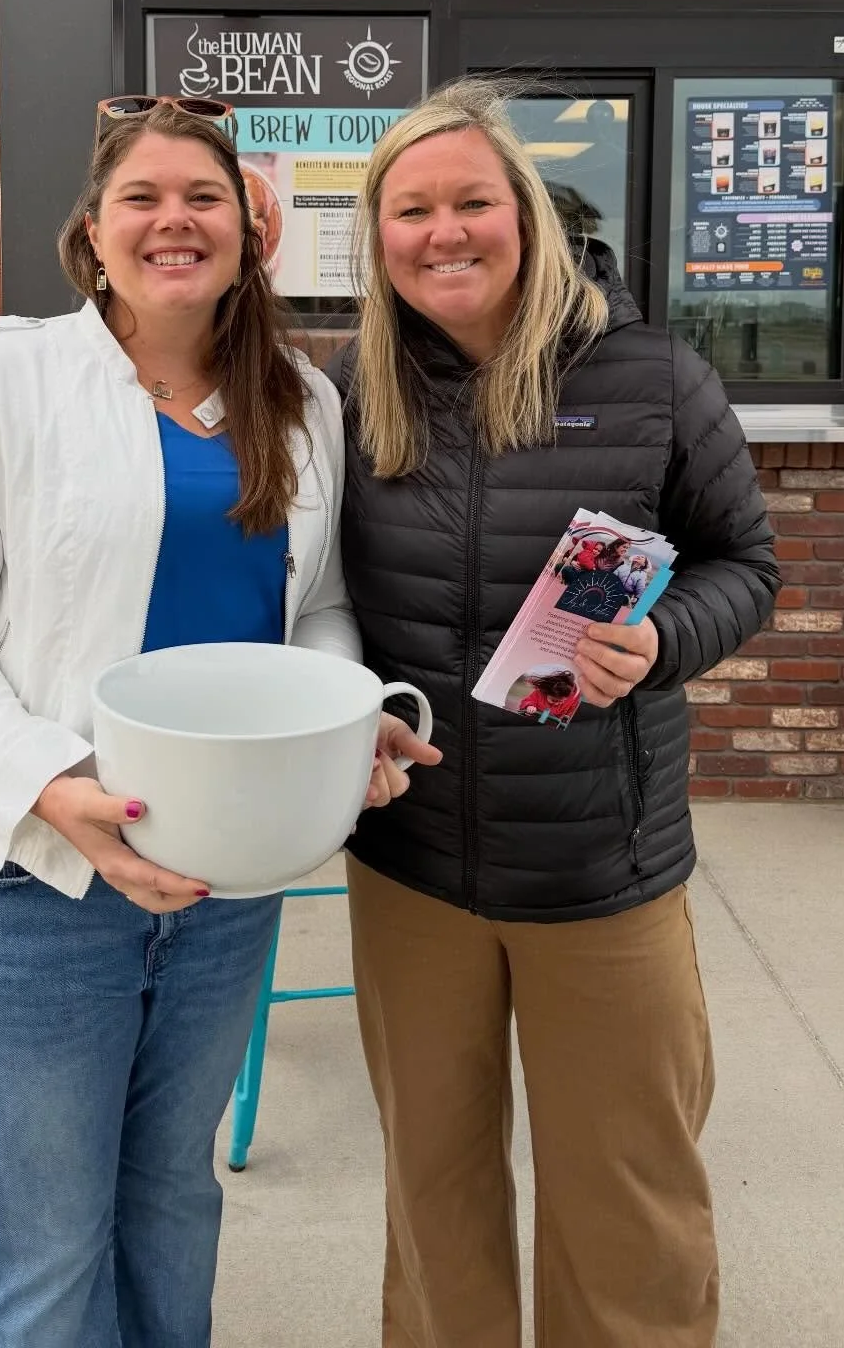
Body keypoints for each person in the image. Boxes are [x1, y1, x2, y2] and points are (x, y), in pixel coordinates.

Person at [0, 97, 433, 1348]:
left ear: (250, 230)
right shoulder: (1, 379)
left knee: (173, 1199)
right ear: (93, 232)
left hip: (228, 878)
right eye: (143, 198)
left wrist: (341, 726)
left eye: (203, 198)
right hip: (36, 879)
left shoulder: (301, 400)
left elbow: (320, 607)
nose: (173, 219)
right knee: (48, 1244)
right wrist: (53, 782)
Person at [332, 78, 781, 1348]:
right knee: (434, 1193)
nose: (445, 231)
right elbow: (313, 593)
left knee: (625, 1200)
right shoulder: (355, 390)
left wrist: (660, 638)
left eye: (472, 199)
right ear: (379, 239)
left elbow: (744, 563)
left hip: (602, 870)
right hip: (413, 865)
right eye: (411, 210)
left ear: (522, 213)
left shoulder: (648, 377)